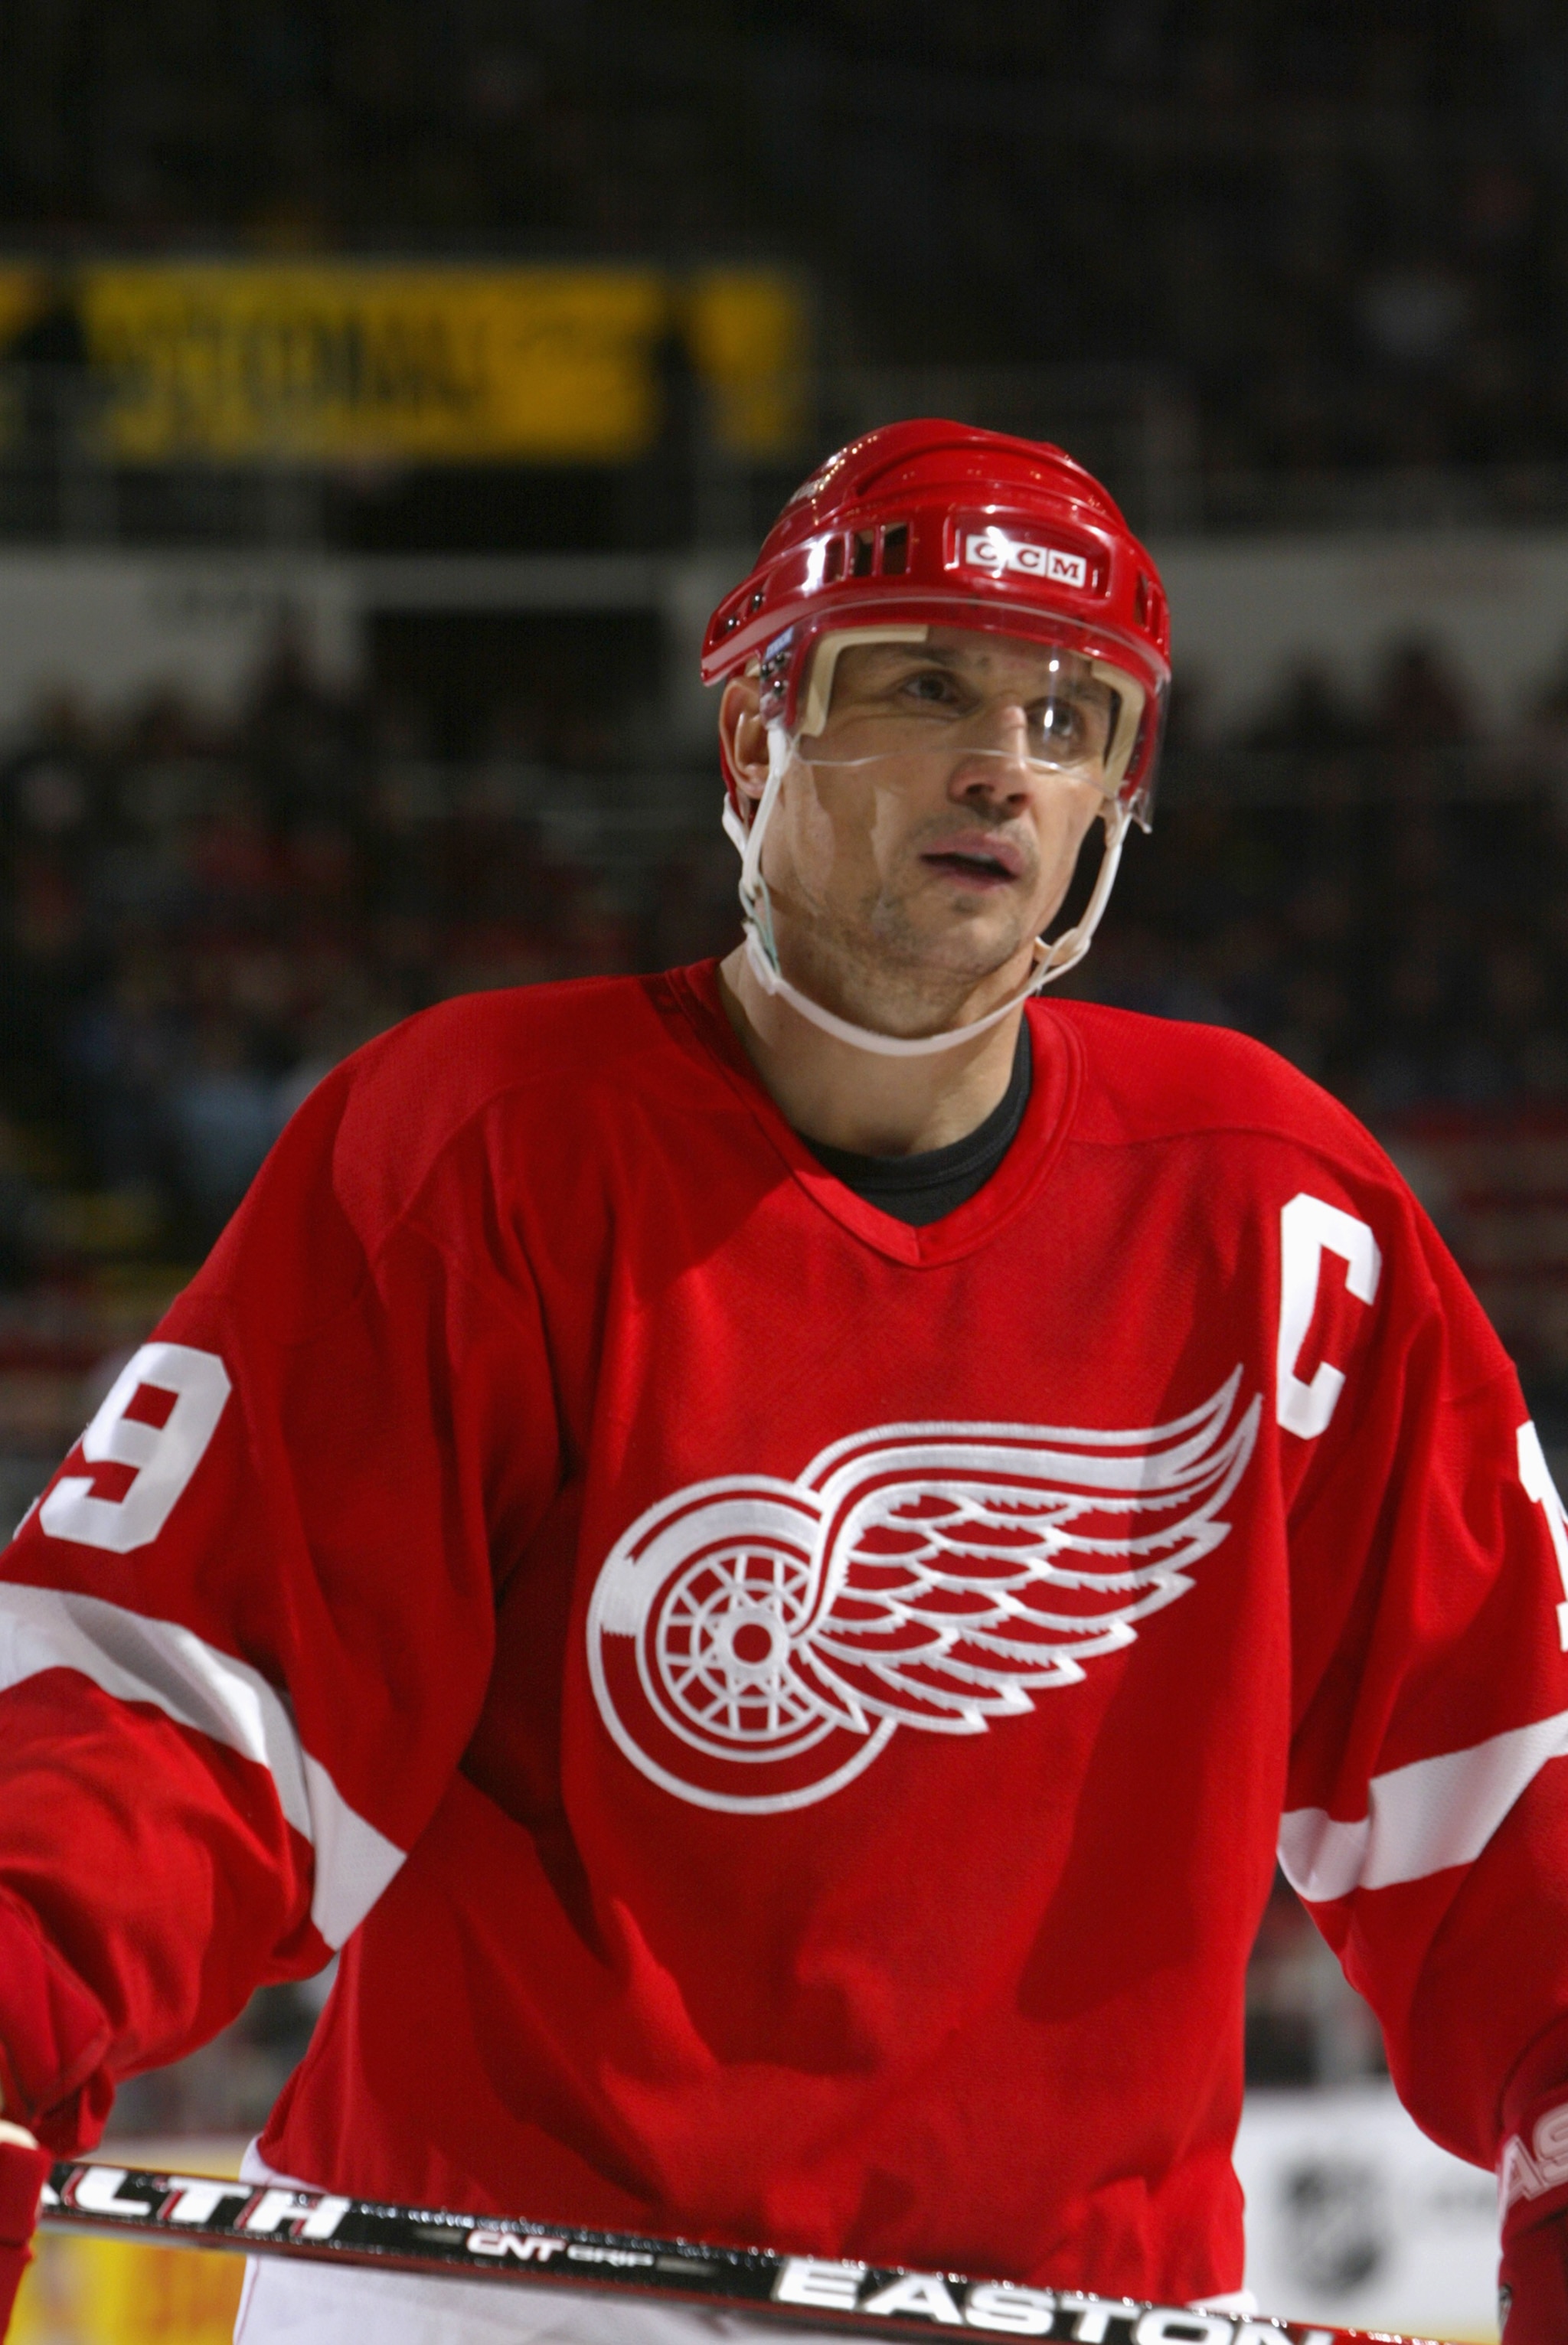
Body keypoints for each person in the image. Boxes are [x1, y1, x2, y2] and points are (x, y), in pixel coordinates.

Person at [0, 420, 1565, 2343]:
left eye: (1070, 716)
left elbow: (1497, 1769)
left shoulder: (1280, 1217)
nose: (1006, 756)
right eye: (924, 682)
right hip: (497, 2293)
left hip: (1058, 2309)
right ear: (753, 741)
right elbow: (187, 1697)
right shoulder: (478, 1147)